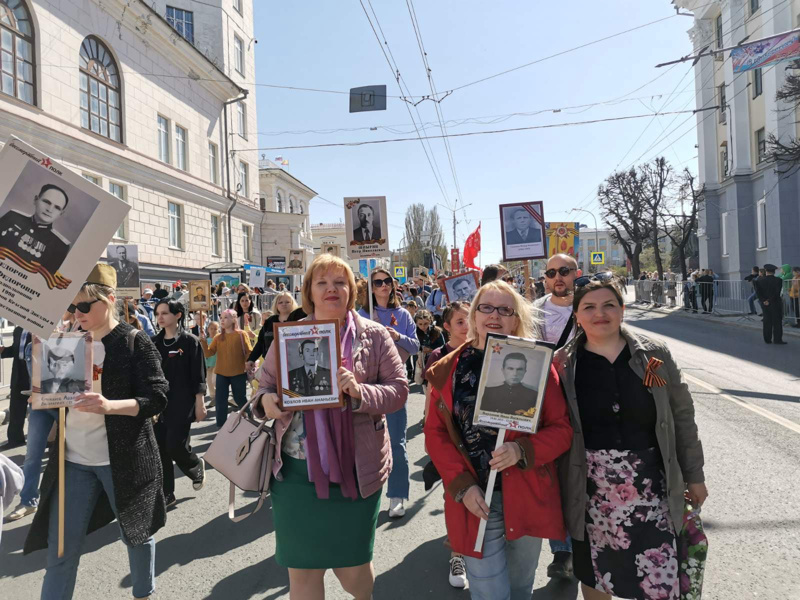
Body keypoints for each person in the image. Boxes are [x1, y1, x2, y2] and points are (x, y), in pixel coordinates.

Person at [253, 253, 408, 599]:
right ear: (309, 290)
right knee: (303, 572)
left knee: (352, 572)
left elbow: (399, 390)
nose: (331, 289)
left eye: (340, 282)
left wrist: (360, 392)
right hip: (295, 475)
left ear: (352, 290)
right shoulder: (289, 336)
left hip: (356, 470)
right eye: (321, 282)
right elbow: (263, 386)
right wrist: (266, 401)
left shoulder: (375, 335)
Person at [555, 275, 707, 600]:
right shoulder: (562, 365)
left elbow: (680, 416)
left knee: (661, 578)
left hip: (653, 490)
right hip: (589, 491)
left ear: (622, 310)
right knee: (596, 577)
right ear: (577, 316)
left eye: (609, 304)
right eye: (589, 307)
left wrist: (694, 475)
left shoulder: (653, 356)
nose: (600, 313)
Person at [23, 263, 169, 600]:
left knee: (137, 533)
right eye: (73, 306)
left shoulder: (133, 340)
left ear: (110, 299)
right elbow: (56, 396)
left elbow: (158, 397)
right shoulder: (65, 339)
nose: (78, 312)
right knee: (60, 550)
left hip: (124, 459)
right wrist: (42, 391)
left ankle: (143, 592)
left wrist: (110, 406)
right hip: (72, 461)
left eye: (85, 305)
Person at [424, 280, 572, 599]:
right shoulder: (447, 370)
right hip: (475, 498)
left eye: (505, 309)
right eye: (486, 307)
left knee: (520, 589)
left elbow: (562, 430)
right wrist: (461, 484)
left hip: (526, 493)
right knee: (490, 593)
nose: (495, 315)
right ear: (474, 314)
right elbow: (435, 434)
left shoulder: (536, 364)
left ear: (517, 318)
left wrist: (522, 448)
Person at [358, 268, 420, 519]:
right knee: (363, 442)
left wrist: (398, 336)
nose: (384, 285)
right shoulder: (362, 315)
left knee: (397, 441)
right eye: (378, 282)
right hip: (367, 387)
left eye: (388, 281)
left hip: (395, 386)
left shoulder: (403, 314)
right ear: (371, 288)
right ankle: (364, 496)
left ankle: (397, 496)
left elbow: (416, 346)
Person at [152, 299, 208, 508]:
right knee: (160, 449)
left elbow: (198, 375)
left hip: (182, 402)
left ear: (178, 315)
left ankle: (194, 465)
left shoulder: (190, 342)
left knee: (174, 445)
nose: (160, 317)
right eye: (158, 313)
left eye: (165, 313)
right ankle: (167, 494)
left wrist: (199, 402)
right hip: (158, 404)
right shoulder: (153, 343)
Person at [0, 183, 71, 276]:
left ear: (61, 213)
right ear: (36, 200)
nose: (49, 209)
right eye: (46, 202)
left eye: (57, 207)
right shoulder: (13, 217)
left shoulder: (60, 245)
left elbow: (43, 280)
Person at [200, 309, 253, 427]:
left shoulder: (241, 334)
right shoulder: (218, 337)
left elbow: (249, 352)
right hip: (221, 373)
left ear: (234, 319)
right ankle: (221, 425)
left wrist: (248, 363)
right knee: (220, 401)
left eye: (226, 317)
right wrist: (203, 342)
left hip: (238, 372)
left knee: (240, 398)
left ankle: (250, 419)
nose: (222, 320)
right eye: (221, 317)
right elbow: (209, 353)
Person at [0, 326, 32, 449]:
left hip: (34, 373)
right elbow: (16, 350)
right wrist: (3, 351)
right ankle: (15, 440)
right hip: (19, 373)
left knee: (37, 411)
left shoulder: (40, 329)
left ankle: (43, 440)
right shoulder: (18, 330)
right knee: (16, 408)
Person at [248, 291, 297, 367]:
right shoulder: (270, 321)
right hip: (271, 364)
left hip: (293, 364)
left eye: (287, 302)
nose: (284, 304)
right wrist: (251, 359)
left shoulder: (299, 320)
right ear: (276, 305)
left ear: (292, 304)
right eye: (280, 302)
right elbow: (261, 342)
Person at [754, 264, 786, 345]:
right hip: (775, 303)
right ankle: (777, 339)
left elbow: (758, 293)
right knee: (777, 321)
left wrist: (764, 300)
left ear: (766, 271)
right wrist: (769, 300)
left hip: (765, 304)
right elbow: (777, 293)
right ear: (774, 271)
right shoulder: (778, 280)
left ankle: (767, 339)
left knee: (767, 320)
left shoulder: (759, 280)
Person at [205, 320, 219, 403]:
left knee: (215, 381)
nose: (213, 330)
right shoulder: (206, 341)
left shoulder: (219, 340)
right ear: (208, 329)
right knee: (209, 382)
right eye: (211, 328)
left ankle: (218, 395)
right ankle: (213, 397)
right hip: (209, 364)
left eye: (215, 329)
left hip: (218, 364)